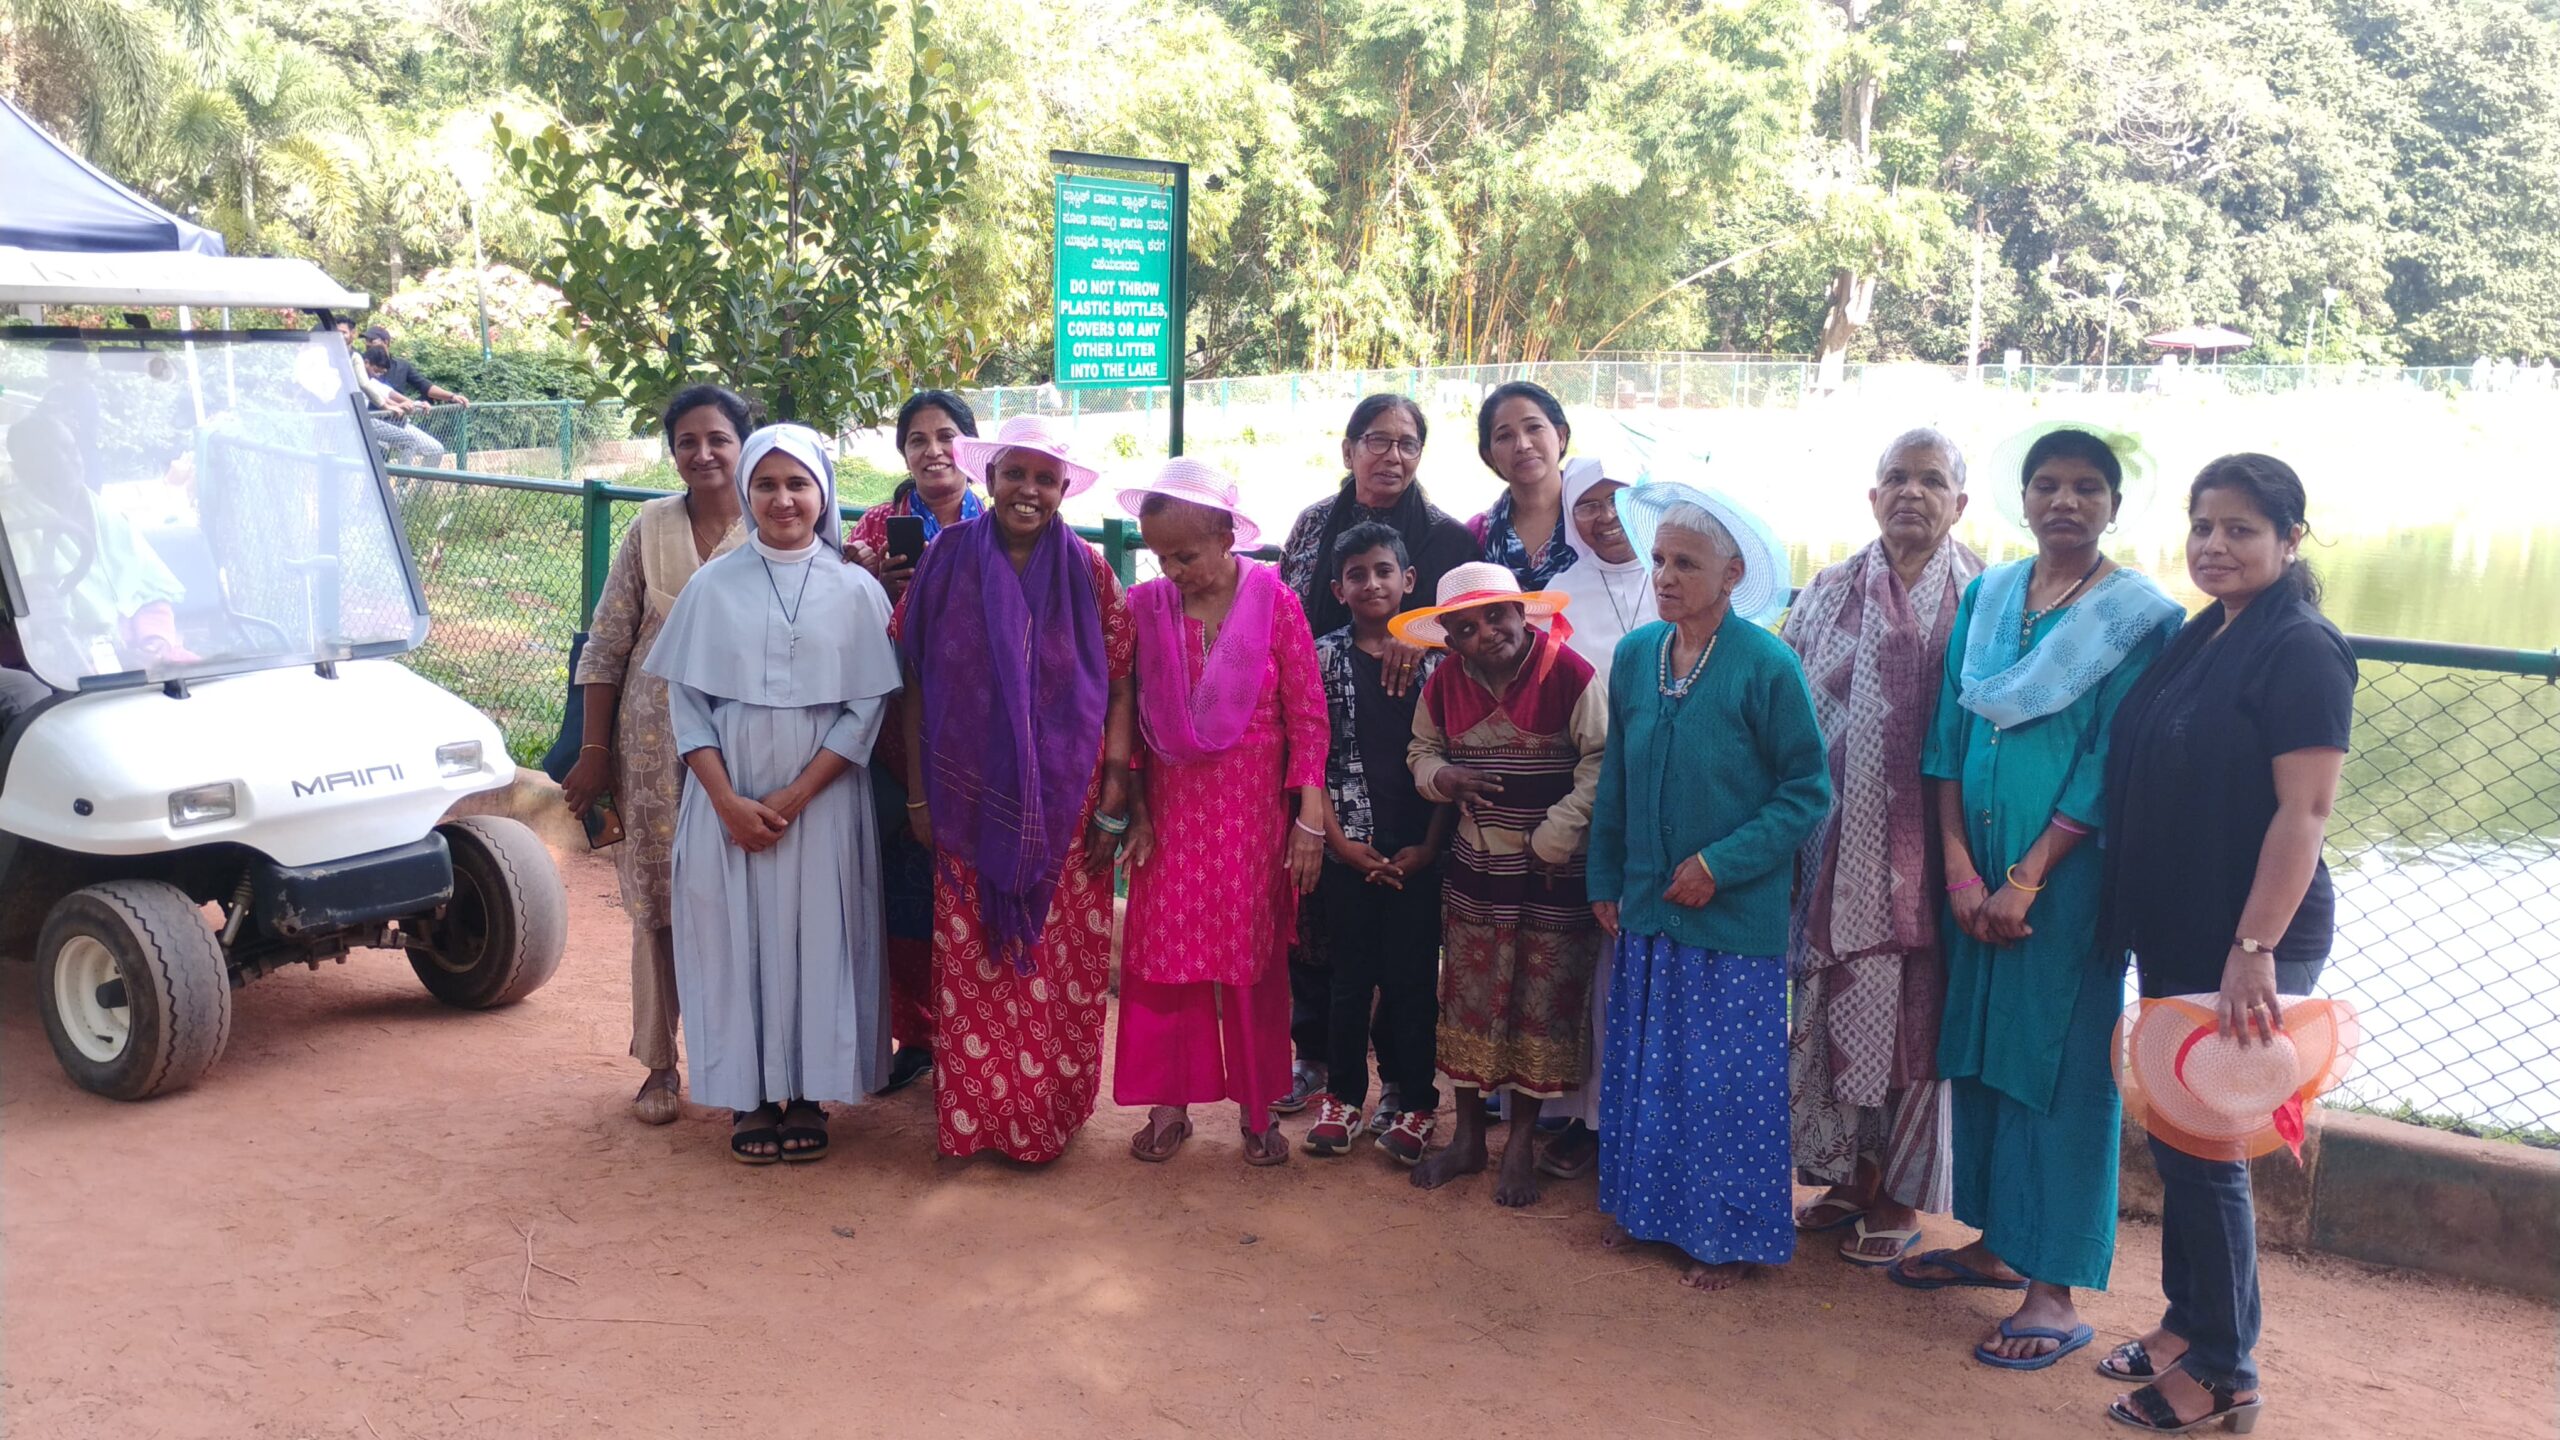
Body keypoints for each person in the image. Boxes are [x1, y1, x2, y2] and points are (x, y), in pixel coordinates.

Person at [1891, 426, 2183, 1370]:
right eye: (2047, 484)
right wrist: (1958, 868)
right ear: (2021, 499)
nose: (2065, 501)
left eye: (2087, 488)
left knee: (2056, 1068)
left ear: (2113, 506)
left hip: (2062, 889)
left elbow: (2107, 761)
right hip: (1974, 877)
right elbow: (1947, 739)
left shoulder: (2138, 618)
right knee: (1981, 1053)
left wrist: (2026, 878)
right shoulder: (1989, 596)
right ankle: (1997, 1242)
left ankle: (2053, 1291)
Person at [2097, 454, 2355, 1434]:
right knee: (2180, 1136)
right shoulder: (2208, 630)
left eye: (2241, 529)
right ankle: (2185, 1323)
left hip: (2248, 935)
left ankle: (2224, 1371)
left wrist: (2253, 946)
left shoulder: (2301, 648)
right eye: (2202, 525)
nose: (2214, 545)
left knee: (2209, 1152)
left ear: (2290, 539)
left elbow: (2305, 812)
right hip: (2182, 923)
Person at [1586, 483, 1830, 1291]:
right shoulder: (1636, 656)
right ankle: (1649, 1213)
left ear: (1732, 576)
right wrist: (1606, 875)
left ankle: (1730, 1237)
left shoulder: (1767, 664)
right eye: (1659, 560)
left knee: (1723, 1083)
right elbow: (1616, 778)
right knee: (1650, 1067)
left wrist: (1721, 863)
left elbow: (1807, 791)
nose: (1664, 576)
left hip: (1731, 915)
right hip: (1648, 907)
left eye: (1685, 564)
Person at [645, 424, 903, 1163]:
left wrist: (793, 798)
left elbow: (865, 709)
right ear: (746, 492)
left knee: (821, 938)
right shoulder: (711, 586)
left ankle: (810, 1094)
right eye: (766, 484)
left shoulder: (856, 588)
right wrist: (727, 803)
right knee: (735, 940)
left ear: (823, 493)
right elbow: (688, 705)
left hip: (824, 800)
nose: (782, 499)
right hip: (726, 798)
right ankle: (749, 1097)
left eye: (798, 484)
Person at [896, 415, 1136, 1164]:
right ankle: (978, 1121)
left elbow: (1121, 683)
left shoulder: (1090, 572)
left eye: (1045, 479)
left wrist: (1115, 793)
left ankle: (1044, 1121)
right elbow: (914, 680)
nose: (1028, 491)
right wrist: (918, 796)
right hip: (966, 799)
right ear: (991, 479)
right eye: (1015, 475)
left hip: (1067, 806)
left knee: (1056, 964)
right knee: (976, 965)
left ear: (1063, 489)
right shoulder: (946, 558)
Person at [1783, 428, 1985, 1264]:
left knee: (1914, 1020)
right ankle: (1848, 1176)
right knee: (1833, 1002)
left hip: (1935, 851)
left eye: (1931, 480)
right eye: (1896, 478)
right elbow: (1788, 701)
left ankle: (1899, 1193)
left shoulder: (1987, 597)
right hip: (1831, 844)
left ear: (1959, 503)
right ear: (1872, 497)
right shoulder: (1828, 590)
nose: (1911, 493)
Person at [1114, 460, 1328, 1167]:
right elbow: (1131, 718)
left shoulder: (1275, 601)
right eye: (1160, 557)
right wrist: (1137, 809)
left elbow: (1308, 717)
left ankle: (1257, 1109)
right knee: (1164, 958)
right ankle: (1168, 1106)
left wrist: (1308, 818)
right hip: (1171, 816)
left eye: (1186, 555)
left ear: (1226, 537)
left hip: (1250, 820)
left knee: (1248, 961)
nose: (1172, 571)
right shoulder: (1146, 607)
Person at [1273, 392, 1476, 1120]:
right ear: (1349, 448)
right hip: (1320, 741)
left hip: (1411, 762)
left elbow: (1476, 628)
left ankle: (1400, 1081)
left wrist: (1416, 636)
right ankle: (1319, 1059)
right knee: (1320, 913)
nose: (1392, 455)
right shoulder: (1312, 525)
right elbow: (1285, 615)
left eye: (1407, 443)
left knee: (1406, 950)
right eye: (1377, 440)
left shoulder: (1446, 539)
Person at [560, 384, 752, 1125]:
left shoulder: (773, 519)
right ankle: (659, 1063)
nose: (703, 454)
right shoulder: (650, 526)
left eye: (718, 439)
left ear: (744, 444)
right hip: (649, 747)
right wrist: (594, 751)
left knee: (738, 898)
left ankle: (742, 1066)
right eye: (686, 442)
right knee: (656, 899)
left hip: (742, 746)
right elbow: (607, 643)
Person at [1396, 562, 1607, 1205]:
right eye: (1466, 628)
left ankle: (1519, 1145)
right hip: (1476, 872)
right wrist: (1443, 778)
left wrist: (1555, 834)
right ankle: (1467, 1139)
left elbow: (1602, 762)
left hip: (1551, 874)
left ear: (1523, 613)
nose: (1486, 632)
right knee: (1468, 1000)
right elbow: (1420, 752)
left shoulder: (1570, 674)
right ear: (1450, 640)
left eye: (1496, 616)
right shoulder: (1443, 684)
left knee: (1539, 1008)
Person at [843, 389, 984, 1096]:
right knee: (902, 899)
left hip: (978, 742)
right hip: (894, 740)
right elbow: (841, 620)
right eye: (917, 440)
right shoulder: (876, 526)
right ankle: (919, 1035)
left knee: (972, 897)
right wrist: (870, 580)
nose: (933, 451)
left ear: (972, 447)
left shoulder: (1000, 520)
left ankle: (974, 1038)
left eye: (947, 436)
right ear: (902, 453)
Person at [1303, 522, 1452, 1163]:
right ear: (1339, 589)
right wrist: (1338, 844)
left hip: (1419, 847)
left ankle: (1416, 1101)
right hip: (1349, 848)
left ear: (1408, 580)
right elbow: (1310, 757)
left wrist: (1430, 848)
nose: (1372, 584)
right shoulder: (1320, 658)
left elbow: (1450, 756)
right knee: (1349, 979)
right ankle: (1342, 1098)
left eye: (1384, 571)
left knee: (1413, 980)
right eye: (1357, 575)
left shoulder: (1437, 661)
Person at [1537, 452, 1661, 1181]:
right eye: (1587, 502)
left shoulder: (1679, 575)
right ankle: (1584, 1116)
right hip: (1587, 793)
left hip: (1665, 798)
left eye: (1620, 500)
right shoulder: (1557, 595)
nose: (1605, 516)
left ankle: (1643, 1118)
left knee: (1645, 962)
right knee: (1586, 961)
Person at [1468, 381, 1579, 589]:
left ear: (1561, 436)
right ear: (1489, 456)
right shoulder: (1477, 535)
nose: (1523, 445)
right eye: (1504, 436)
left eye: (1534, 428)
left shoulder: (1600, 518)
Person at [359, 345, 446, 464]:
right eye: (376, 371)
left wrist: (416, 404)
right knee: (408, 441)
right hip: (362, 421)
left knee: (435, 449)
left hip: (392, 424)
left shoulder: (372, 381)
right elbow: (380, 399)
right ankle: (403, 477)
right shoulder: (356, 378)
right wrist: (394, 406)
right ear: (366, 363)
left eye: (380, 373)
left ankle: (407, 476)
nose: (377, 375)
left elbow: (388, 395)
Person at [361, 328, 471, 407]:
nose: (367, 344)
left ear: (386, 342)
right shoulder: (361, 364)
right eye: (366, 341)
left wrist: (452, 396)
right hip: (373, 419)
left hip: (398, 418)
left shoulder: (402, 365)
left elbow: (424, 386)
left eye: (372, 340)